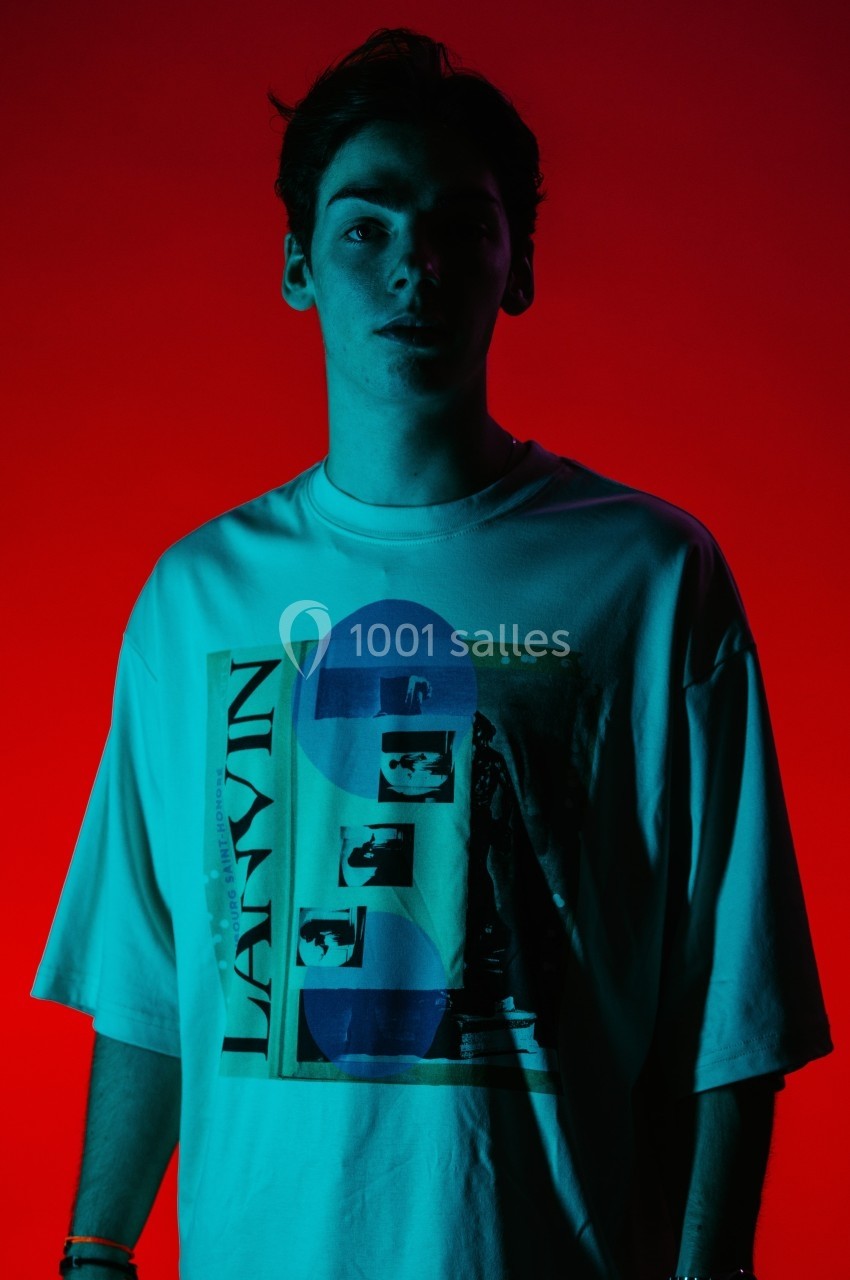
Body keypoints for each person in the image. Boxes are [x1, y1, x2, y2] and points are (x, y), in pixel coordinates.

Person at [33, 26, 832, 1280]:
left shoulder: (651, 576)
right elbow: (150, 976)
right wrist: (92, 1248)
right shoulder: (195, 596)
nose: (415, 264)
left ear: (516, 267)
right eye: (366, 227)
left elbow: (728, 999)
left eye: (462, 226)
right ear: (298, 265)